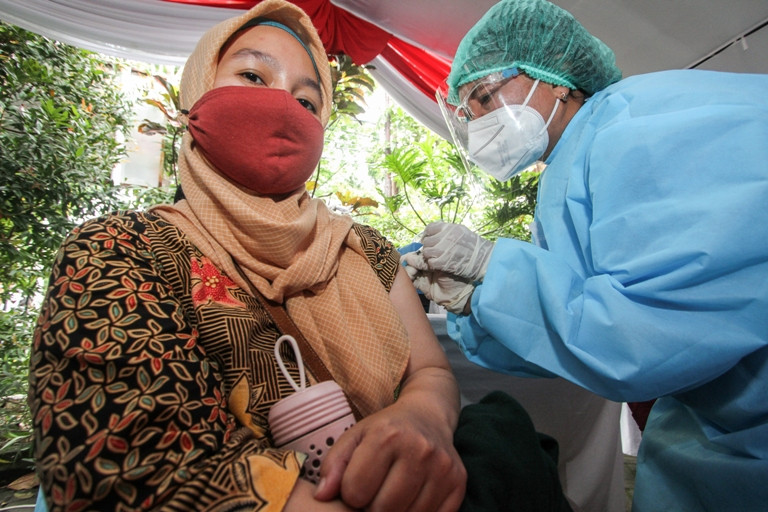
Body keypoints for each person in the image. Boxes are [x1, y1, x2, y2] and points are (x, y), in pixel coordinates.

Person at [28, 1, 467, 510]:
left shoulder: (364, 250)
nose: (282, 106)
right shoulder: (119, 251)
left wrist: (423, 416)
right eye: (253, 75)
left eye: (307, 103)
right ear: (197, 91)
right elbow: (125, 470)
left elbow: (430, 373)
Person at [403, 0, 768, 510]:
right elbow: (571, 326)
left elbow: (642, 334)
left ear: (556, 79)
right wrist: (476, 300)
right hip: (720, 421)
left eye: (485, 96)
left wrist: (490, 268)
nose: (478, 122)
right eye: (467, 113)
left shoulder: (638, 129)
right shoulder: (576, 159)